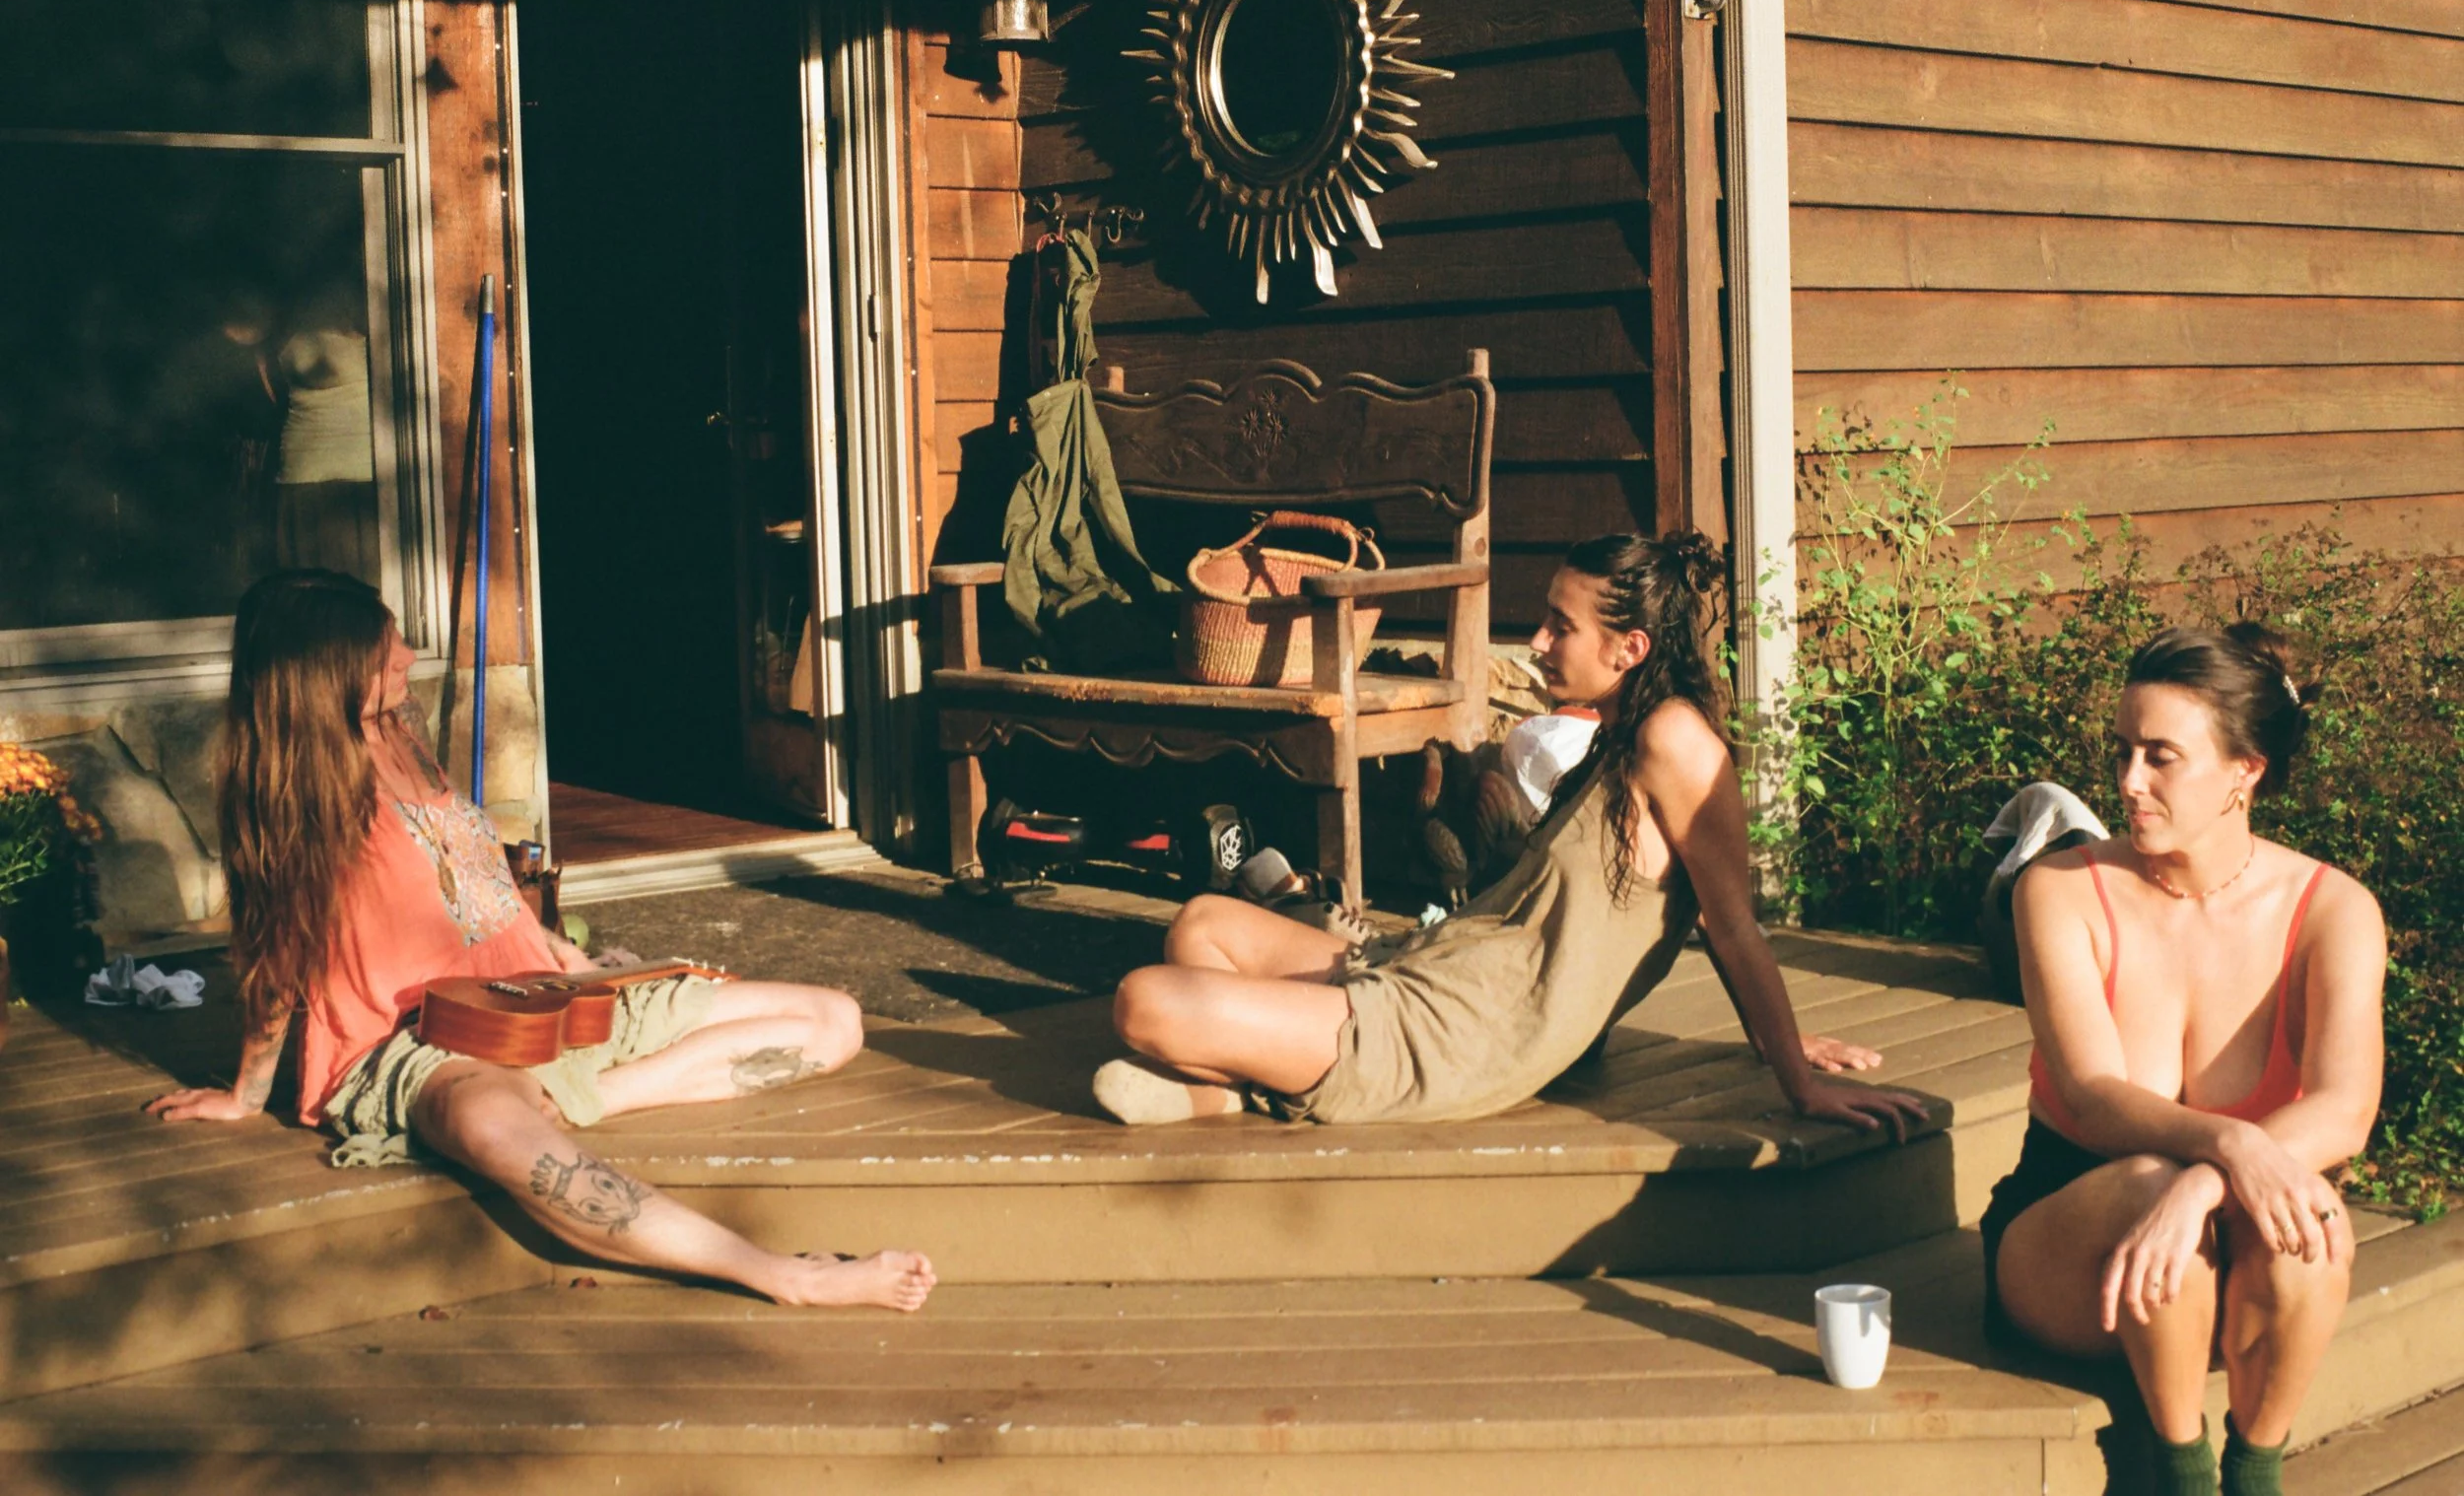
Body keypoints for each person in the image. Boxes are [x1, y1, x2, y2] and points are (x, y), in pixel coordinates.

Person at [147, 571, 935, 1312]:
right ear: (325, 673)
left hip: (540, 1000)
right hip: (419, 1041)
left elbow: (474, 874)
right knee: (495, 1132)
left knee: (833, 1021)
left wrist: (561, 952)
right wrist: (245, 1095)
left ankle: (575, 1096)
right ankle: (777, 1274)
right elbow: (275, 959)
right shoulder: (289, 793)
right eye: (385, 650)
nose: (407, 658)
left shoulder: (400, 728)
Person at [1091, 531, 1929, 1135]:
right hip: (1432, 965)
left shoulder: (1677, 742)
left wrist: (1795, 1078)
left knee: (1143, 1000)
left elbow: (1729, 918)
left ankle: (1229, 1089)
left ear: (1630, 646)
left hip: (1459, 1031)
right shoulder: (1619, 731)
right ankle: (1247, 1076)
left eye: (1560, 627)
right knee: (1200, 922)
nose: (1536, 643)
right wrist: (1774, 1037)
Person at [1987, 625, 2386, 1496]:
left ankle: (2254, 1468)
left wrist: (2213, 1176)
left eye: (2161, 757)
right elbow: (2092, 1099)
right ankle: (2179, 1470)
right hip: (2071, 1246)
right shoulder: (2058, 891)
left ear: (2244, 771)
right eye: (2123, 751)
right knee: (2151, 1183)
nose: (2127, 782)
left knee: (2309, 1226)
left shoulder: (2333, 910)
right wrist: (2230, 1150)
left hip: (2234, 1263)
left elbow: (2346, 1107)